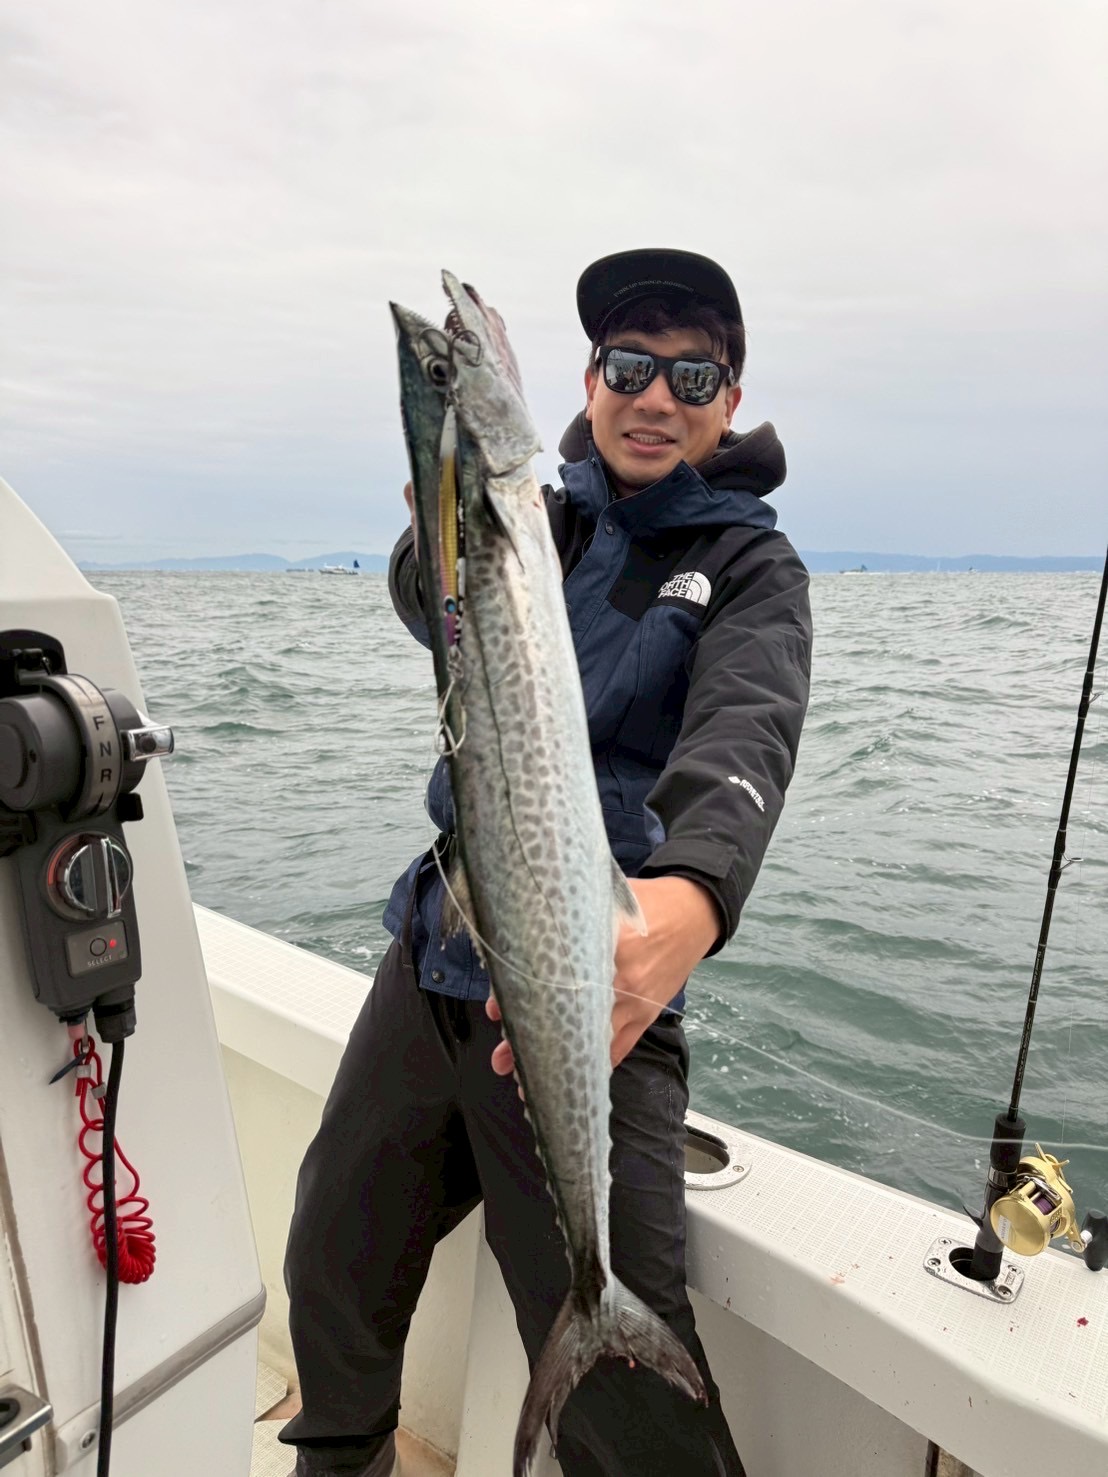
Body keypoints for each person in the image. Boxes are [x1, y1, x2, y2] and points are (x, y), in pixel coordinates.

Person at [281, 248, 813, 1477]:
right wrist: (433, 525)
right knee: (331, 1260)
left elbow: (747, 731)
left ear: (729, 400)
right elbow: (441, 618)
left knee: (627, 1404)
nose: (654, 396)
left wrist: (692, 897)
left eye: (691, 375)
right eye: (627, 366)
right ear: (585, 383)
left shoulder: (749, 568)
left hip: (597, 991)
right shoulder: (541, 512)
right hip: (438, 957)